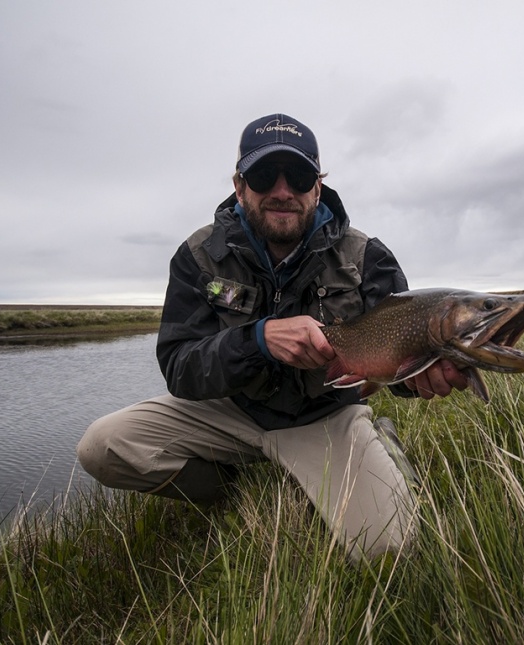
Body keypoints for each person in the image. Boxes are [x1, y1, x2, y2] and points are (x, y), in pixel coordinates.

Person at [77, 114, 467, 561]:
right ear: (240, 186)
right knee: (103, 446)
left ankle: (379, 444)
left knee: (387, 550)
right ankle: (241, 490)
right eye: (264, 176)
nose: (282, 191)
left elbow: (398, 363)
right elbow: (180, 368)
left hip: (326, 417)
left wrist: (419, 378)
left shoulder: (367, 257)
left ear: (317, 187)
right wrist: (257, 340)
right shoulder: (198, 256)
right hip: (228, 413)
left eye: (299, 177)